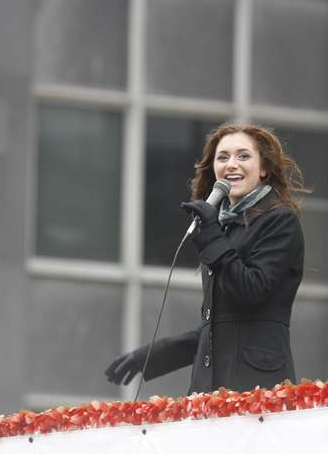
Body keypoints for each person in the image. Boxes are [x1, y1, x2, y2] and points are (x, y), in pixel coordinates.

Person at [105, 123, 306, 394]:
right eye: (222, 157)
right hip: (211, 388)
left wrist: (212, 236)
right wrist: (153, 355)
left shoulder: (279, 220)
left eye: (243, 156)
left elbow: (251, 291)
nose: (231, 164)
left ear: (264, 169)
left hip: (256, 389)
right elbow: (218, 328)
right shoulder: (225, 227)